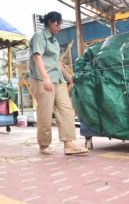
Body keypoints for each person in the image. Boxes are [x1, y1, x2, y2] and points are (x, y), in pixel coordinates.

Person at [29, 11, 88, 155]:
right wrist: (45, 78)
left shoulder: (54, 41)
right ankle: (43, 145)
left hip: (58, 80)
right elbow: (37, 57)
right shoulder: (39, 36)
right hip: (42, 80)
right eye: (58, 23)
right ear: (50, 22)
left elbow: (56, 62)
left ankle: (69, 144)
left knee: (66, 110)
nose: (60, 26)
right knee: (45, 113)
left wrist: (69, 77)